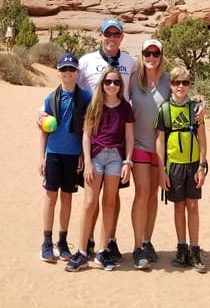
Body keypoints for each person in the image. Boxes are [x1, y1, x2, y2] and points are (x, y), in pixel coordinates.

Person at [75, 18, 136, 264]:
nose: (111, 38)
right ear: (100, 35)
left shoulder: (129, 62)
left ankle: (107, 241)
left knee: (112, 197)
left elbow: (140, 91)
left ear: (122, 37)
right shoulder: (86, 61)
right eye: (107, 34)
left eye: (116, 34)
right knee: (91, 197)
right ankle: (86, 242)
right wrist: (44, 110)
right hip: (92, 138)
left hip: (118, 142)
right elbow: (71, 89)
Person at [65, 67, 135, 272]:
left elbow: (129, 137)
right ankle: (82, 251)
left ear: (120, 85)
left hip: (115, 158)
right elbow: (86, 135)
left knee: (109, 203)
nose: (112, 85)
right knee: (89, 203)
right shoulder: (94, 105)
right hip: (96, 157)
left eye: (116, 82)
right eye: (108, 82)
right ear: (102, 84)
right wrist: (87, 161)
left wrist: (127, 162)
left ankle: (103, 251)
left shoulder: (125, 108)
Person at [38, 53, 91, 263]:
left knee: (67, 197)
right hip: (53, 153)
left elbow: (88, 127)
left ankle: (62, 241)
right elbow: (43, 129)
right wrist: (41, 157)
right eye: (64, 70)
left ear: (77, 72)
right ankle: (46, 242)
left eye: (71, 69)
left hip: (72, 155)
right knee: (51, 197)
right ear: (59, 73)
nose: (68, 73)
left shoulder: (85, 97)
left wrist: (82, 154)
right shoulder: (51, 98)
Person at [155, 66, 208, 272]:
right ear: (170, 85)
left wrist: (202, 165)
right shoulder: (165, 110)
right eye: (177, 82)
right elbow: (159, 141)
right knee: (178, 206)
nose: (181, 86)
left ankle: (194, 249)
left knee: (192, 206)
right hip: (174, 164)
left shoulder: (196, 109)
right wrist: (162, 170)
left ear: (189, 85)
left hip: (193, 164)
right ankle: (181, 247)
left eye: (185, 83)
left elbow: (202, 137)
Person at [128, 38, 169, 269]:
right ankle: (137, 248)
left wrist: (200, 106)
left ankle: (147, 240)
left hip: (160, 148)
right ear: (141, 55)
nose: (151, 57)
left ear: (161, 56)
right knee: (142, 192)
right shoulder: (134, 80)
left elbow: (185, 96)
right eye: (147, 53)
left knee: (153, 193)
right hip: (139, 145)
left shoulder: (167, 80)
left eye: (155, 53)